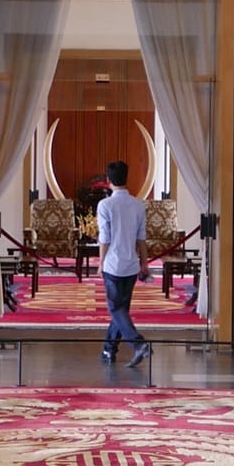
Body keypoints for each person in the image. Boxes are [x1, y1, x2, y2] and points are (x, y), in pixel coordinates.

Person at [96, 158, 150, 369]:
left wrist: (100, 263)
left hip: (113, 264)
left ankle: (138, 344)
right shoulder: (138, 205)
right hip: (131, 265)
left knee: (115, 308)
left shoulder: (105, 205)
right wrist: (144, 264)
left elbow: (105, 238)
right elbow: (142, 239)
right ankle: (109, 349)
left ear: (108, 180)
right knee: (121, 310)